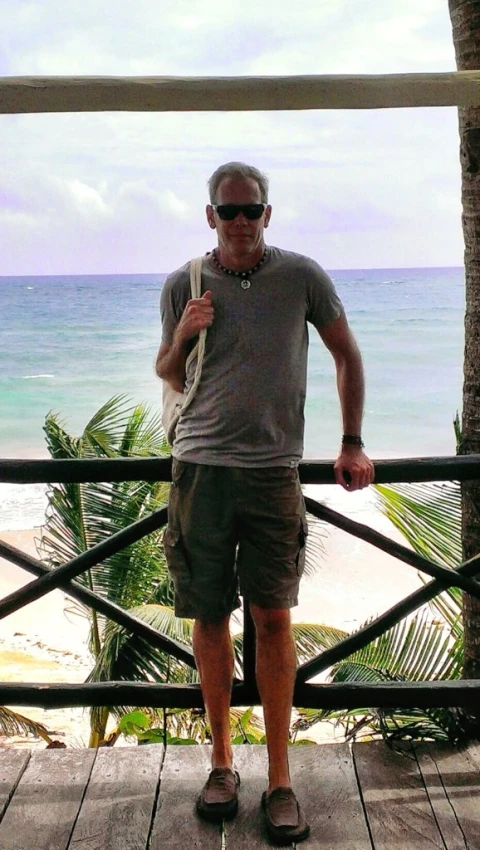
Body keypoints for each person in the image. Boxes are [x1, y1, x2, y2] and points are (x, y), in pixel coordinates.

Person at [156, 162, 375, 844]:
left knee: (275, 621)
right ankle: (222, 764)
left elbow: (346, 355)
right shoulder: (182, 283)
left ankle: (281, 779)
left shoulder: (301, 276)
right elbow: (165, 370)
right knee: (210, 618)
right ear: (210, 216)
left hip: (274, 471)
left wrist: (351, 441)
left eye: (252, 209)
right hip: (199, 469)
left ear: (269, 214)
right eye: (229, 211)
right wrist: (188, 331)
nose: (241, 221)